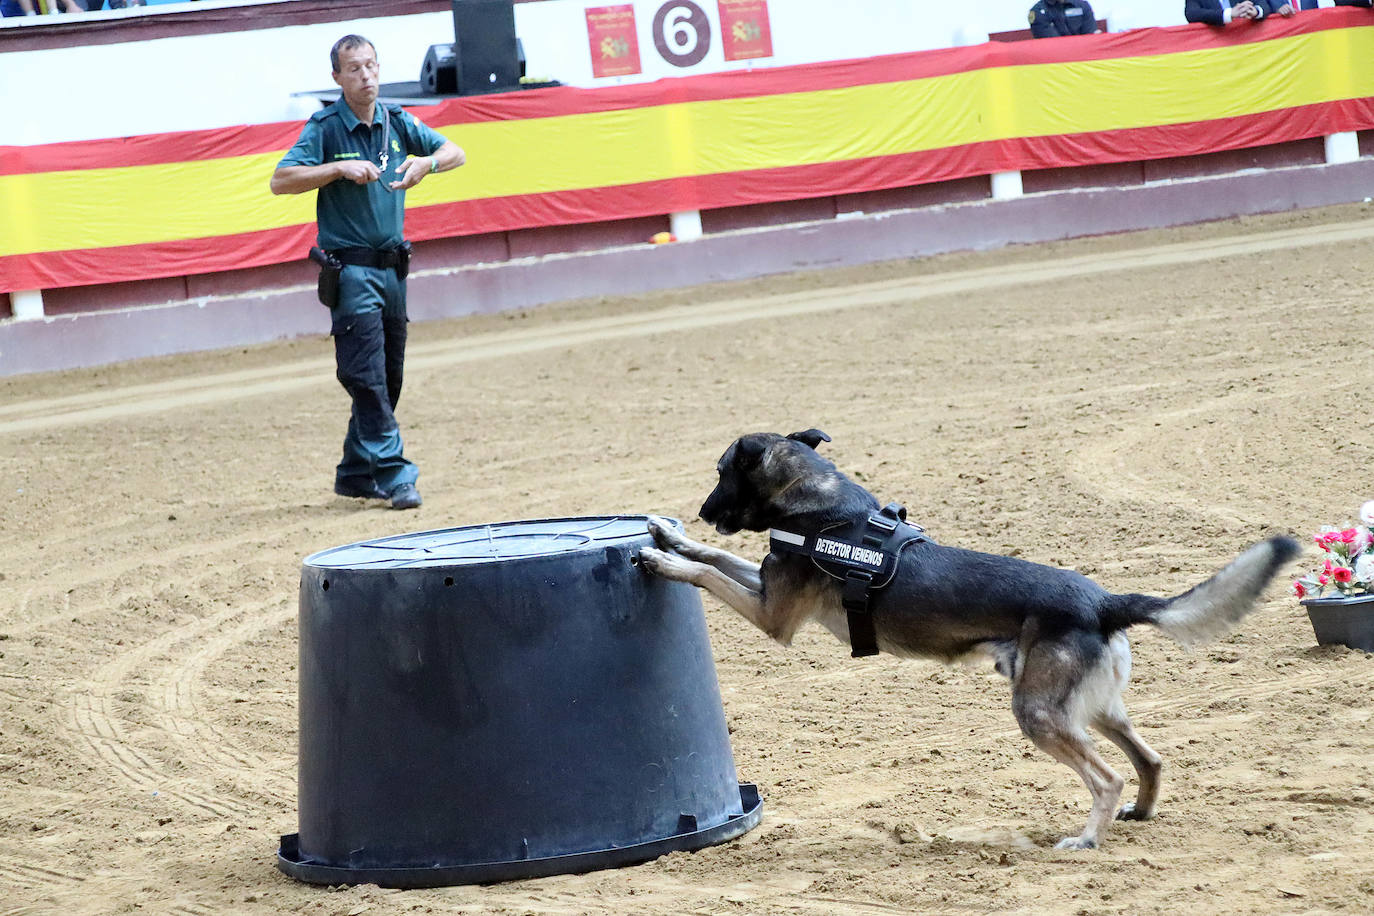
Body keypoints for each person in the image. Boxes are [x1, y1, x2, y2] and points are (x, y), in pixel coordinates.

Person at [270, 35, 465, 510]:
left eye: (372, 66)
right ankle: (396, 475)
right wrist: (337, 169)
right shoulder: (324, 129)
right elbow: (281, 180)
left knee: (389, 377)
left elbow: (455, 152)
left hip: (393, 270)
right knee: (367, 377)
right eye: (355, 69)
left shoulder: (396, 120)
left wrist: (427, 165)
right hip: (353, 273)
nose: (367, 76)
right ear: (337, 78)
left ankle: (357, 472)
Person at [1027, 0, 1098, 37]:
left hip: (1085, 56)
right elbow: (1053, 44)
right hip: (1057, 61)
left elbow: (1090, 36)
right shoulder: (1037, 12)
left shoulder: (1082, 5)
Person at [1184, 1, 1292, 24]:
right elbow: (1192, 14)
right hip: (1217, 51)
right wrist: (1229, 14)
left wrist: (1255, 11)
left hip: (1248, 46)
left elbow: (1264, 5)